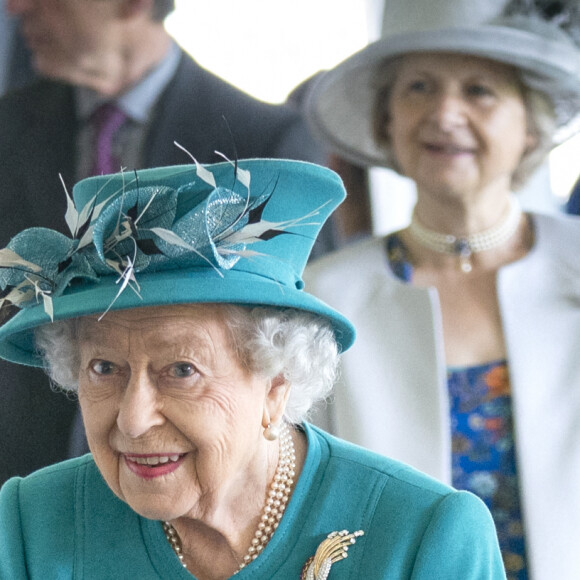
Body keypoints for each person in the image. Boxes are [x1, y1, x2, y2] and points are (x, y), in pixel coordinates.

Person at [0, 159, 504, 578]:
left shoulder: (424, 537)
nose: (133, 420)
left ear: (276, 385)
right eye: (104, 367)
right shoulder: (31, 525)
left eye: (181, 370)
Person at [304, 0, 580, 579]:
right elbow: (305, 491)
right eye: (419, 88)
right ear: (386, 122)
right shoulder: (326, 296)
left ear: (530, 125)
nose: (444, 113)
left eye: (479, 90)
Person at [0, 0, 328, 485]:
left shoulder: (263, 138)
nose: (16, 7)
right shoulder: (7, 127)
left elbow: (292, 333)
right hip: (18, 467)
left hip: (195, 471)